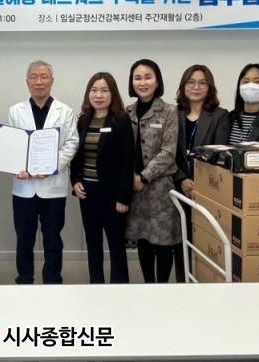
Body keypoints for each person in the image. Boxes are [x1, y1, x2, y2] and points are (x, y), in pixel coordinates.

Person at [7, 60, 79, 284]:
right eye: (34, 77)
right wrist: (16, 165)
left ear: (52, 81)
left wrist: (50, 166)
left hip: (53, 188)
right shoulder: (15, 111)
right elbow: (13, 145)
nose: (39, 82)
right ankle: (24, 279)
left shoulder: (65, 111)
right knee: (24, 239)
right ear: (27, 81)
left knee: (53, 239)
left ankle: (53, 280)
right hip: (24, 188)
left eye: (44, 77)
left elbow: (72, 143)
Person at [70, 72, 133, 284]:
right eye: (94, 90)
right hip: (87, 193)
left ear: (112, 93)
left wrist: (124, 197)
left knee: (116, 247)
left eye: (104, 90)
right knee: (93, 245)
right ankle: (95, 286)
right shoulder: (83, 120)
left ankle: (119, 288)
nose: (98, 95)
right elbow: (76, 155)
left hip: (113, 195)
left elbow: (128, 160)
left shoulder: (121, 120)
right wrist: (75, 181)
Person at [173, 64, 230, 282]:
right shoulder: (174, 114)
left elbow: (219, 154)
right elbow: (168, 152)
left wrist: (198, 183)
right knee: (180, 242)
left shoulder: (220, 116)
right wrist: (182, 179)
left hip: (206, 191)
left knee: (206, 242)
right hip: (177, 189)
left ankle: (205, 285)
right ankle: (182, 283)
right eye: (191, 82)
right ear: (183, 86)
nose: (196, 87)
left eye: (202, 83)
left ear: (209, 87)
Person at [125, 59, 179, 284]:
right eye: (137, 78)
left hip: (160, 188)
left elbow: (168, 151)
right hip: (134, 187)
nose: (143, 82)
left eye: (148, 77)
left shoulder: (169, 111)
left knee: (163, 241)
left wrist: (145, 177)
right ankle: (148, 285)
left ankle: (162, 287)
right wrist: (131, 177)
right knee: (143, 239)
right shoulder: (127, 112)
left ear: (157, 81)